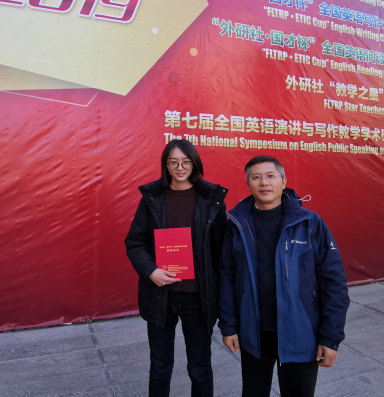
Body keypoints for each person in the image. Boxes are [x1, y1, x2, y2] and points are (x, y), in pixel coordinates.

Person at [218, 156, 349, 397]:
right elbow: (227, 277)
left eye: (271, 176)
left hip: (300, 332)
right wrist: (228, 326)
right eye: (256, 177)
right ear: (248, 183)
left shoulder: (310, 223)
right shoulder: (237, 225)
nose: (264, 183)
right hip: (254, 333)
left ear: (284, 181)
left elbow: (334, 283)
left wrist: (331, 337)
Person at [125, 139, 228, 397]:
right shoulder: (152, 199)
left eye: (185, 162)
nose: (180, 168)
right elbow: (135, 241)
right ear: (165, 165)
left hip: (199, 297)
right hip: (161, 294)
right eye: (173, 162)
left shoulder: (212, 200)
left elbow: (220, 251)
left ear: (194, 164)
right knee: (160, 367)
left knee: (200, 368)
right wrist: (151, 271)